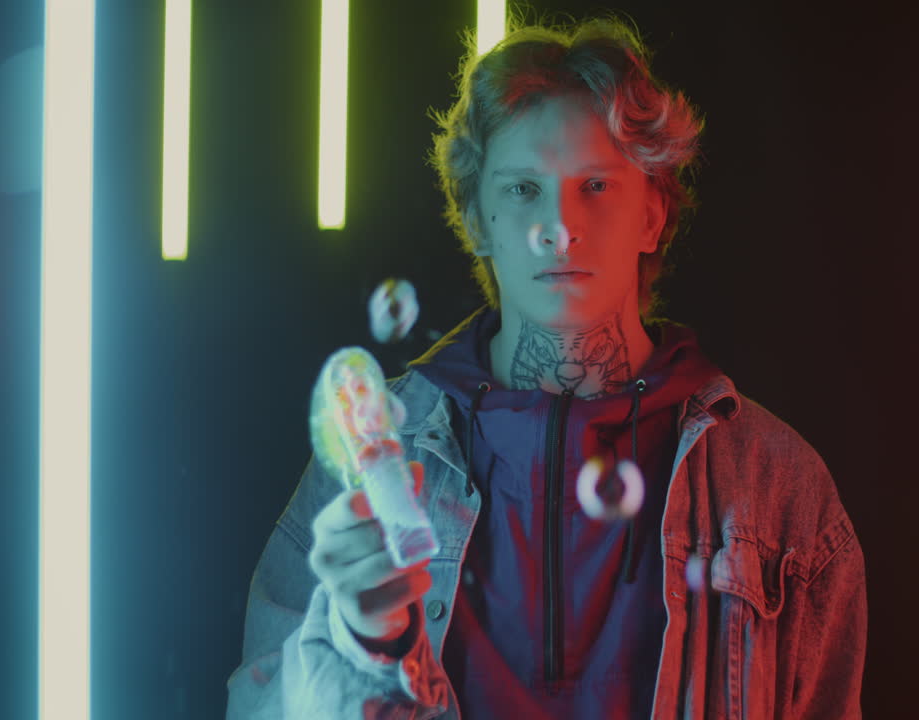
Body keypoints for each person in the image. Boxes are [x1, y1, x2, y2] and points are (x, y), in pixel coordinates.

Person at [226, 15, 866, 719]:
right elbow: (258, 705)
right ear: (476, 220)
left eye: (595, 185)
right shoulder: (371, 461)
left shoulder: (776, 484)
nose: (558, 225)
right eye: (523, 189)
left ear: (653, 215)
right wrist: (361, 639)